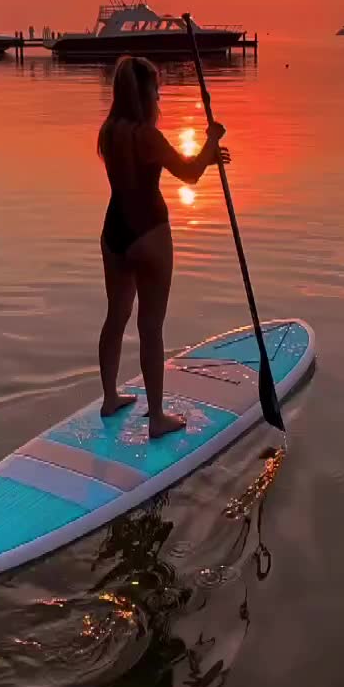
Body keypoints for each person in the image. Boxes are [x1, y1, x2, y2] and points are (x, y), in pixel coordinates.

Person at [97, 55, 228, 436]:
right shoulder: (146, 135)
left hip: (114, 232)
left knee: (115, 317)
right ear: (145, 93)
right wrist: (211, 142)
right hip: (150, 231)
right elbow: (188, 173)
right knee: (150, 327)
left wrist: (208, 155)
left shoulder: (108, 131)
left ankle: (109, 398)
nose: (160, 94)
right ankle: (156, 417)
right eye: (156, 87)